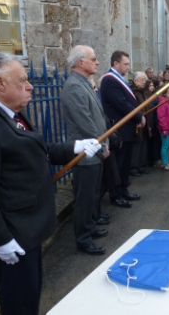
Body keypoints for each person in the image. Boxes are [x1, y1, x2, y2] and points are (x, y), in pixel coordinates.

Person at [0, 52, 101, 314]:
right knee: (20, 305)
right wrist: (0, 240)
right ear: (1, 83)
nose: (31, 86)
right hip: (13, 233)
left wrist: (75, 147)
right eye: (24, 80)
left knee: (29, 298)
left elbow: (32, 149)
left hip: (27, 228)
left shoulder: (6, 110)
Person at [61, 45, 110, 255]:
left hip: (95, 150)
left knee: (91, 196)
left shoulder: (83, 84)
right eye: (94, 58)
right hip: (86, 154)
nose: (97, 62)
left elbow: (97, 116)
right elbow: (85, 123)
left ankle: (89, 228)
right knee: (84, 199)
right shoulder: (73, 87)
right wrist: (101, 147)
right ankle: (83, 239)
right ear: (81, 62)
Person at [99, 50, 145, 206]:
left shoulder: (119, 80)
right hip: (118, 130)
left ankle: (124, 190)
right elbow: (121, 104)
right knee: (117, 164)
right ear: (115, 64)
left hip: (127, 129)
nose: (128, 67)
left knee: (125, 163)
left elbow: (128, 102)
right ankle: (116, 194)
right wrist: (139, 116)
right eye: (125, 64)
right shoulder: (109, 80)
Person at [129, 71, 149, 177]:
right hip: (137, 122)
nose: (144, 82)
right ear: (135, 81)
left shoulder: (143, 92)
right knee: (136, 146)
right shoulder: (133, 92)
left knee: (143, 144)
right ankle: (134, 167)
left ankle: (141, 165)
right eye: (142, 80)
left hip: (145, 121)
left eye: (144, 80)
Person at [157, 85, 169, 171]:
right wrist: (164, 128)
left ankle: (167, 161)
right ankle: (164, 164)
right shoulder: (163, 102)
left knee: (168, 146)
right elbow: (161, 117)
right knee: (165, 146)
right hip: (165, 129)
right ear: (165, 93)